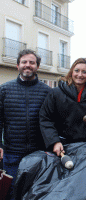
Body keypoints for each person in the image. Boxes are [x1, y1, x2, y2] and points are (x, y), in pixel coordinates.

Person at [0, 49, 51, 197]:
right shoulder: (4, 90)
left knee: (37, 193)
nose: (27, 65)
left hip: (39, 153)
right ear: (18, 66)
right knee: (12, 192)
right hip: (12, 153)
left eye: (31, 62)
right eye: (24, 62)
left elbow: (52, 121)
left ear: (37, 67)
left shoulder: (47, 92)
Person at [39, 58, 86, 156]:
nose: (80, 75)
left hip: (85, 147)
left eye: (84, 72)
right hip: (61, 147)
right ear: (71, 72)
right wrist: (54, 142)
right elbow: (45, 119)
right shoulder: (56, 93)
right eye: (77, 70)